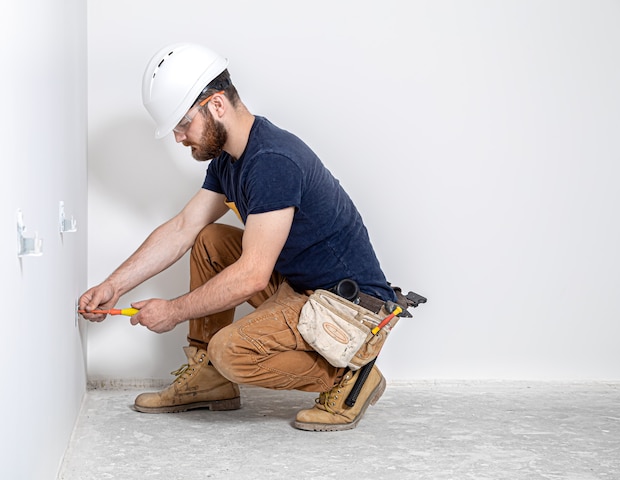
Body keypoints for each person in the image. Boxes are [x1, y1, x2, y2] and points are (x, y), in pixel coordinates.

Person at [79, 43, 400, 432]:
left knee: (230, 351)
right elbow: (183, 228)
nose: (179, 138)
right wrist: (114, 285)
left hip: (347, 308)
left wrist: (173, 311)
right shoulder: (230, 160)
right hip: (300, 287)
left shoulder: (271, 161)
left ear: (215, 105)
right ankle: (210, 380)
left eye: (183, 124)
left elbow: (251, 277)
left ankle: (352, 377)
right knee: (210, 239)